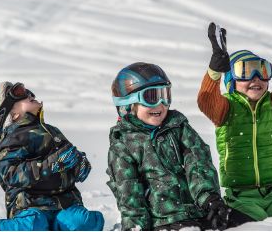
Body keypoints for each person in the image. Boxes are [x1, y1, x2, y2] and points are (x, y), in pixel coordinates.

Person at [197, 2, 272, 221]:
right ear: (231, 81)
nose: (256, 78)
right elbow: (205, 100)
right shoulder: (226, 109)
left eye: (262, 70)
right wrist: (215, 70)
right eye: (245, 71)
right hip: (241, 196)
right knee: (251, 225)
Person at [106, 62, 252, 231]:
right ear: (128, 103)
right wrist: (136, 227)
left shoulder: (178, 127)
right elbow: (128, 191)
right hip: (164, 221)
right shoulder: (123, 144)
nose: (161, 104)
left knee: (253, 225)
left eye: (165, 95)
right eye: (152, 97)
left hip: (201, 212)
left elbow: (198, 161)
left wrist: (209, 199)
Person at [0, 82, 104, 231]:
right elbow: (12, 175)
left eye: (28, 91)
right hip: (30, 207)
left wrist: (79, 165)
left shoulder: (51, 131)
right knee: (34, 224)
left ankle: (55, 227)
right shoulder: (10, 142)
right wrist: (50, 165)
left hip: (63, 203)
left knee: (83, 222)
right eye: (20, 93)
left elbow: (66, 157)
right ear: (11, 114)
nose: (30, 94)